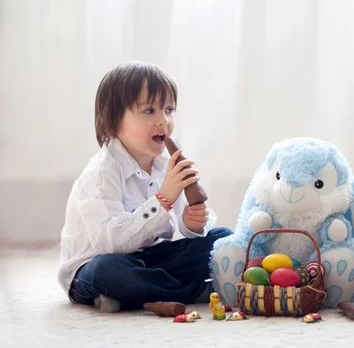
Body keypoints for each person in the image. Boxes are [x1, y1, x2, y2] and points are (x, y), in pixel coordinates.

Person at [57, 61, 233, 312]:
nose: (164, 120)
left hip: (152, 259)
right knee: (111, 272)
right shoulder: (100, 174)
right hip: (94, 266)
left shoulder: (166, 163)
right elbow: (111, 245)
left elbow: (187, 226)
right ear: (115, 120)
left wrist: (193, 222)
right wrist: (162, 200)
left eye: (169, 109)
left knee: (223, 239)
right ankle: (195, 291)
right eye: (149, 111)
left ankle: (138, 293)